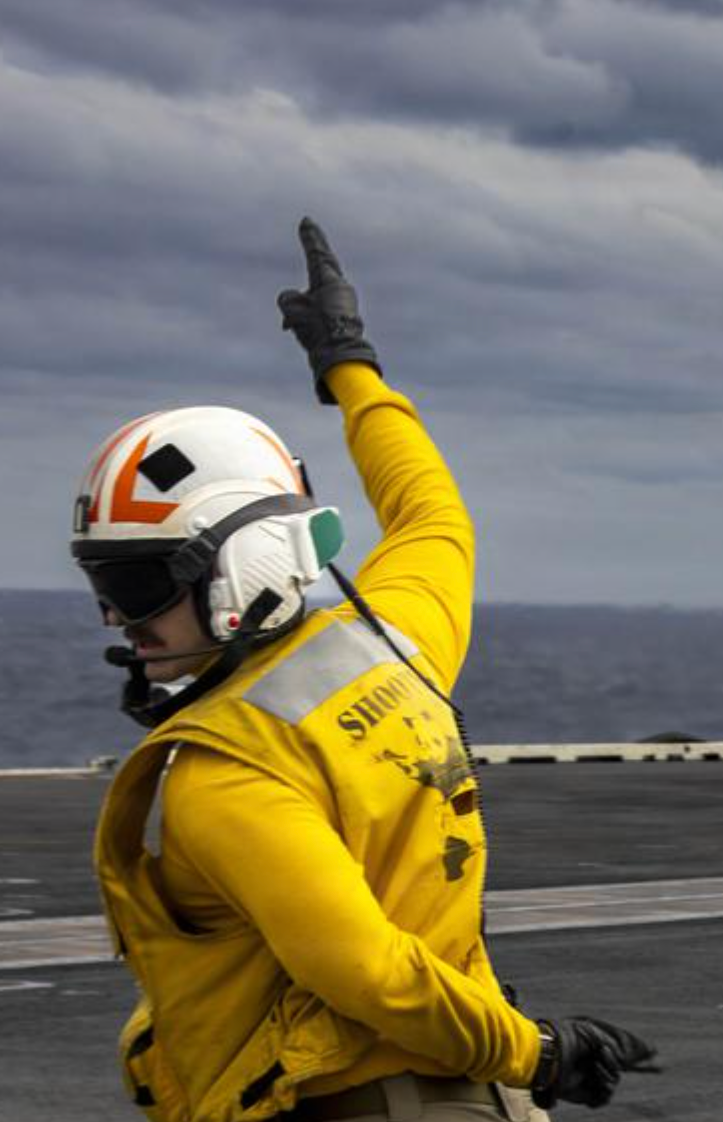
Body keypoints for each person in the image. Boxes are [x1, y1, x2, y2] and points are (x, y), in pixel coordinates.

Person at [74, 218, 657, 1121]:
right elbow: (432, 512)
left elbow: (367, 974)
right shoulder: (395, 641)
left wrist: (537, 1052)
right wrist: (350, 362)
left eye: (139, 583)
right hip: (474, 1085)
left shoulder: (226, 779)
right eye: (103, 584)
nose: (119, 617)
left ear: (248, 562)